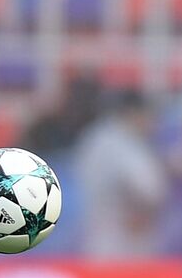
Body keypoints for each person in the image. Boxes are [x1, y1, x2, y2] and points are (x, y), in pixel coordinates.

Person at [72, 88, 172, 259]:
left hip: (95, 235)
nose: (152, 123)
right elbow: (148, 189)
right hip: (123, 239)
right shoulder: (123, 143)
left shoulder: (96, 137)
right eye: (148, 115)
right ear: (133, 113)